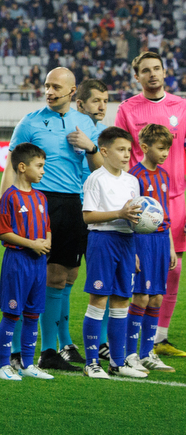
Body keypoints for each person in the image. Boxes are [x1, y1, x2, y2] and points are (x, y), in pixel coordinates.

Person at [3, 67, 101, 371]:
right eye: (47, 86)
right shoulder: (31, 121)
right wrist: (7, 203)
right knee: (29, 275)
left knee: (60, 276)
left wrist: (91, 147)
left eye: (56, 86)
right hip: (37, 202)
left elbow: (98, 168)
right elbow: (11, 161)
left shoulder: (84, 123)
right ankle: (18, 349)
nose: (50, 91)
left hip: (71, 203)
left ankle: (47, 351)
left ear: (72, 92)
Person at [111, 51, 186, 356]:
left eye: (157, 68)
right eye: (146, 70)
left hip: (177, 195)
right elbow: (119, 150)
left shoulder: (181, 106)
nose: (153, 74)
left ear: (165, 72)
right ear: (137, 76)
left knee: (174, 267)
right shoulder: (128, 109)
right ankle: (125, 334)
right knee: (136, 268)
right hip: (142, 197)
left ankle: (160, 337)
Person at [80, 127, 145, 378]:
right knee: (99, 300)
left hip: (127, 243)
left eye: (129, 150)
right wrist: (119, 213)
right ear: (104, 151)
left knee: (121, 301)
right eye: (121, 149)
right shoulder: (96, 179)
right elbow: (87, 216)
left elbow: (134, 218)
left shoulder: (132, 181)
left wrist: (136, 250)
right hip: (102, 240)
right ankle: (92, 363)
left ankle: (118, 363)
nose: (127, 154)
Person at [0, 143, 55, 381]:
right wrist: (33, 244)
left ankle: (28, 364)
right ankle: (2, 366)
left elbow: (47, 227)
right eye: (39, 166)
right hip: (18, 261)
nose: (42, 171)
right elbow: (3, 232)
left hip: (38, 263)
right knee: (11, 314)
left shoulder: (40, 197)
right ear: (22, 167)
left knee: (33, 314)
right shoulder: (9, 196)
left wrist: (46, 241)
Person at [129, 123, 177, 373]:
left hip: (161, 241)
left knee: (157, 297)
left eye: (168, 149)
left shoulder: (164, 175)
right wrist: (133, 250)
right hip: (142, 241)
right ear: (145, 147)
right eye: (161, 148)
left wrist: (170, 247)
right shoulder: (134, 176)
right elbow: (130, 216)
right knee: (141, 296)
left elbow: (164, 215)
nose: (165, 153)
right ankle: (130, 353)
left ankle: (148, 353)